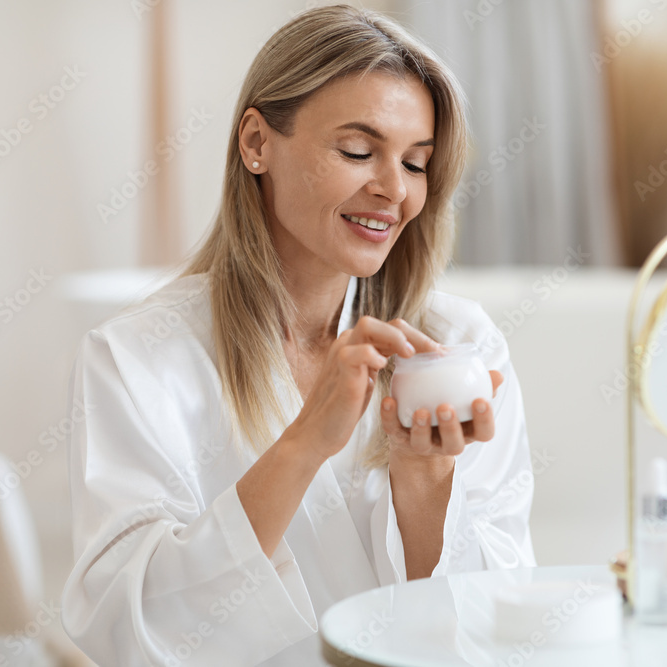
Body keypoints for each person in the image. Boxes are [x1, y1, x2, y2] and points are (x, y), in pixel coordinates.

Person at [61, 5, 535, 665]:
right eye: (357, 151)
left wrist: (424, 477)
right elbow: (125, 624)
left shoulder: (456, 346)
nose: (394, 190)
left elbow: (498, 613)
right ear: (257, 143)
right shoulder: (138, 358)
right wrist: (305, 441)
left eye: (417, 163)